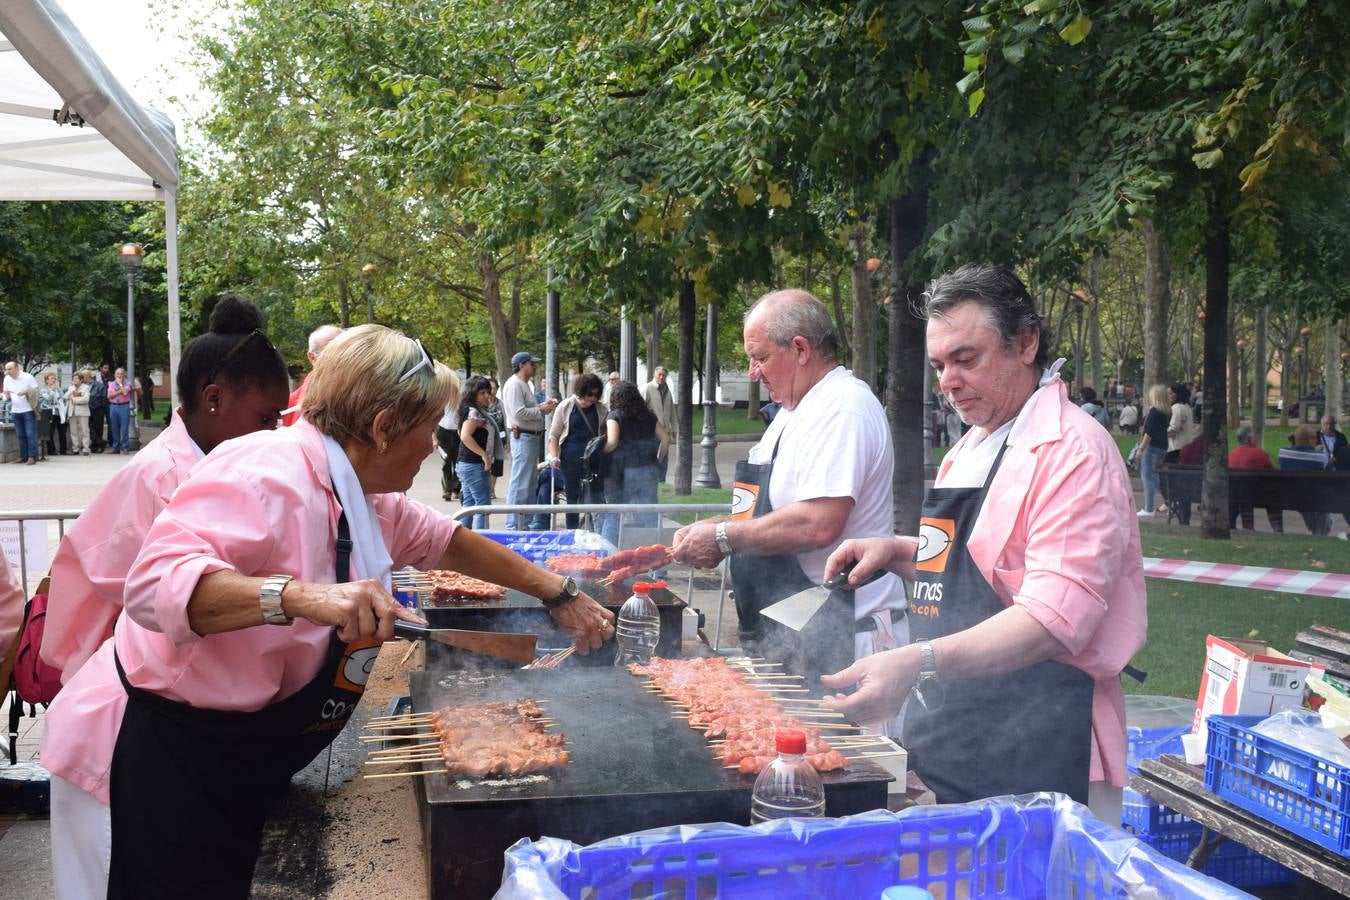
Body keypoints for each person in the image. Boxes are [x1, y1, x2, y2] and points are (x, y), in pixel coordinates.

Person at [42, 325, 614, 899]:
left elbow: (448, 541)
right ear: (384, 427)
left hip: (227, 758)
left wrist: (559, 594)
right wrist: (302, 597)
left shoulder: (359, 494)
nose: (435, 447)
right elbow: (152, 584)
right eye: (428, 430)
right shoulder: (264, 473)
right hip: (144, 757)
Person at [817, 264, 1146, 825]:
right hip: (959, 730)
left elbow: (1051, 620)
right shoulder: (972, 445)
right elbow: (968, 570)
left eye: (966, 359)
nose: (947, 380)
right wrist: (895, 552)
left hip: (1041, 747)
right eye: (940, 365)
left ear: (1025, 342)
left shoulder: (1072, 452)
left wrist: (917, 662)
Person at [39, 298, 293, 899]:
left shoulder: (223, 466)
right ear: (213, 400)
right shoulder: (166, 477)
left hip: (173, 727)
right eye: (266, 418)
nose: (275, 434)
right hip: (123, 723)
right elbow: (99, 606)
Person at [671, 289, 909, 711]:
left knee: (844, 769)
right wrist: (716, 525)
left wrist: (725, 538)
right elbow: (771, 510)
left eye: (759, 357)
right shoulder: (793, 412)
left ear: (800, 348)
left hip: (845, 635)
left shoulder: (842, 407)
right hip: (798, 631)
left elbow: (818, 523)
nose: (752, 373)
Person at [600, 380, 669, 546]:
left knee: (614, 513)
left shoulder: (614, 416)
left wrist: (599, 454)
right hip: (648, 469)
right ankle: (657, 564)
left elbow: (613, 442)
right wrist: (657, 460)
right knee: (650, 515)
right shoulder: (649, 415)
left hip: (622, 472)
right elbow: (666, 439)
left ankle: (607, 557)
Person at [501, 351, 558, 529]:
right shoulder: (515, 384)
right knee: (520, 483)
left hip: (529, 437)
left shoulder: (524, 384)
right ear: (521, 365)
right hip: (523, 436)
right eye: (531, 364)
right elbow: (519, 413)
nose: (534, 367)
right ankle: (513, 524)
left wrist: (542, 407)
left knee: (528, 482)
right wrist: (541, 409)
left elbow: (526, 411)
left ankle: (522, 523)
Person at [547, 373, 607, 529]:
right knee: (572, 496)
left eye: (596, 394)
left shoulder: (600, 409)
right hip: (569, 459)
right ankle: (572, 531)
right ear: (581, 391)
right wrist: (554, 457)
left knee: (594, 496)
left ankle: (592, 529)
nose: (592, 398)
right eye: (589, 394)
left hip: (592, 460)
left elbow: (605, 433)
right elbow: (553, 435)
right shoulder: (566, 406)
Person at [455, 375, 499, 529]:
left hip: (467, 464)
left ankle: (463, 543)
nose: (487, 395)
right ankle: (481, 542)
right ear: (473, 393)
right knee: (483, 508)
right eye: (482, 392)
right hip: (473, 465)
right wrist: (484, 455)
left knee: (469, 505)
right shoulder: (473, 412)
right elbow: (465, 436)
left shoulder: (471, 410)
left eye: (488, 391)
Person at [282, 323, 342, 427]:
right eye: (332, 352)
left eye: (346, 349)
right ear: (312, 358)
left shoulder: (362, 387)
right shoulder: (293, 405)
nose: (342, 358)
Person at [1278, 425, 1331, 534]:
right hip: (1315, 498)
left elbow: (1296, 454)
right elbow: (1326, 466)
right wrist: (1316, 451)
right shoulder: (1320, 457)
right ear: (1309, 440)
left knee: (1304, 502)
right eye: (1315, 438)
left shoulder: (1282, 453)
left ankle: (1317, 531)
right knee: (1325, 502)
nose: (1317, 440)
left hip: (1291, 497)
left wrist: (1295, 442)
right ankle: (1319, 533)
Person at [1228, 425, 1281, 532]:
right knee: (1273, 498)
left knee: (1244, 495)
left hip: (1235, 495)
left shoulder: (1231, 455)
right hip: (1258, 496)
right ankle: (1278, 529)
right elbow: (1273, 473)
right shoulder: (1259, 454)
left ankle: (1248, 527)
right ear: (1251, 439)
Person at [1135, 384, 1170, 518]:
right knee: (1155, 477)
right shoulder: (1165, 412)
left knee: (1147, 477)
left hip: (1152, 447)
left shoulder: (1154, 412)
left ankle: (1149, 508)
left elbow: (1148, 433)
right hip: (1162, 446)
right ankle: (1168, 500)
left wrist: (1140, 449)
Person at [641, 367, 678, 482]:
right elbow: (640, 408)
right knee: (652, 456)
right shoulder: (647, 388)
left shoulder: (667, 390)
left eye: (663, 375)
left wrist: (674, 428)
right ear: (654, 375)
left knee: (664, 458)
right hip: (651, 431)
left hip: (665, 431)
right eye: (659, 375)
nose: (661, 377)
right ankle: (651, 480)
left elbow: (672, 410)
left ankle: (661, 481)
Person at [2, 361, 40, 464]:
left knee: (30, 434)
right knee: (20, 435)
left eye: (10, 369)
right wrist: (5, 395)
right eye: (6, 369)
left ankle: (32, 457)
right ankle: (23, 456)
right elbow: (6, 397)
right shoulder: (7, 379)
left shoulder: (27, 377)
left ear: (16, 368)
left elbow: (36, 391)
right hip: (15, 410)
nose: (7, 371)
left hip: (28, 409)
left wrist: (25, 393)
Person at [106, 367, 136, 454]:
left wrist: (120, 385)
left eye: (121, 374)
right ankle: (116, 447)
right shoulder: (111, 384)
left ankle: (125, 447)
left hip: (124, 406)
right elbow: (109, 396)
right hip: (113, 406)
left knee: (124, 428)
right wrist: (119, 392)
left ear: (124, 375)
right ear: (115, 375)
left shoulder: (128, 383)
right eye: (117, 374)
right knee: (114, 428)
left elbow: (125, 392)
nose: (119, 376)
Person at [40, 371, 70, 457]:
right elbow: (48, 399)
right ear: (46, 380)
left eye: (54, 378)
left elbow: (62, 398)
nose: (54, 380)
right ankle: (51, 450)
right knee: (50, 432)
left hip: (59, 412)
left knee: (62, 432)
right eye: (51, 378)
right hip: (49, 412)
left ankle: (63, 450)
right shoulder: (43, 389)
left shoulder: (58, 389)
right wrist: (52, 391)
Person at [436, 401, 461, 501]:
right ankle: (447, 489)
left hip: (457, 432)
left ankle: (456, 488)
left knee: (457, 461)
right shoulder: (443, 397)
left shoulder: (460, 397)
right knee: (446, 460)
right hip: (443, 431)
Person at [1165, 383, 1195, 463]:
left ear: (1178, 394)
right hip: (1186, 445)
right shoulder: (1187, 407)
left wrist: (1160, 433)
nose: (1168, 396)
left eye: (1170, 393)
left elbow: (1174, 428)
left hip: (1175, 448)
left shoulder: (1177, 407)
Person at [66, 371, 92, 456]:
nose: (75, 380)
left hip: (83, 412)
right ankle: (75, 449)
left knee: (84, 431)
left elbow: (86, 399)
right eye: (73, 379)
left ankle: (86, 449)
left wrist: (74, 399)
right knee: (73, 431)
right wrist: (72, 394)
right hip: (72, 412)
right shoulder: (71, 388)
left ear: (81, 380)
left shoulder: (86, 387)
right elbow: (65, 396)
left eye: (77, 378)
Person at [88, 364, 110, 453]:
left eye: (87, 376)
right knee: (89, 427)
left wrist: (100, 406)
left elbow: (104, 397)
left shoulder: (99, 385)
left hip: (98, 409)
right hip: (87, 409)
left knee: (98, 428)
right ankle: (99, 442)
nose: (86, 378)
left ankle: (96, 446)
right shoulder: (82, 385)